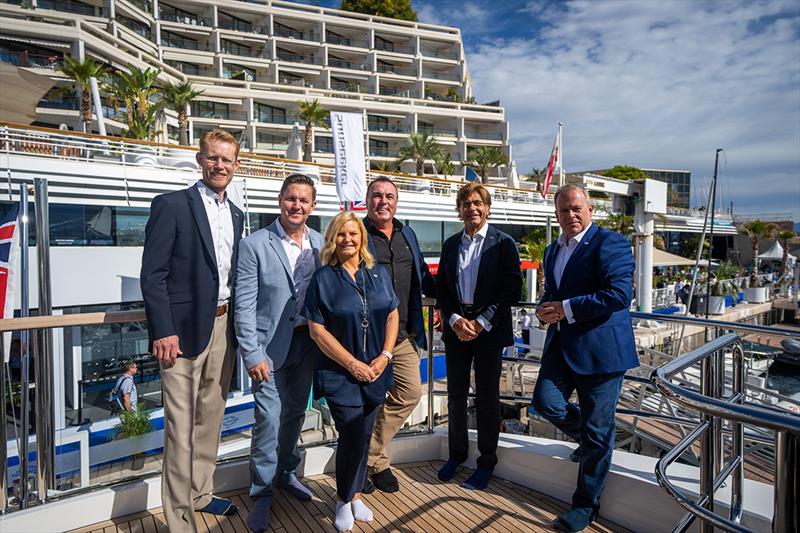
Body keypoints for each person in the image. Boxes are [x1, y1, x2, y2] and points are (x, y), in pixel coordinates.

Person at [140, 129, 245, 531]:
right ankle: (179, 519)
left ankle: (201, 494)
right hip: (180, 334)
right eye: (213, 158)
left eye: (227, 160)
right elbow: (153, 275)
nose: (220, 165)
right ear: (200, 160)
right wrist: (162, 329)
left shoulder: (236, 214)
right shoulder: (172, 205)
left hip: (223, 326)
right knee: (180, 431)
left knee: (210, 419)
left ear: (236, 166)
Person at [532, 184, 638, 533]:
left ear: (590, 210)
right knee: (545, 402)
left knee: (596, 429)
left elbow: (619, 295)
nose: (571, 215)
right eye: (564, 211)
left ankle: (584, 507)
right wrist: (544, 309)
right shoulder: (552, 250)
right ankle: (595, 441)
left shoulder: (611, 243)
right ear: (557, 214)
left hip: (602, 352)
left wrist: (565, 309)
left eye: (577, 209)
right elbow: (554, 294)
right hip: (562, 346)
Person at [234, 174, 324, 533]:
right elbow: (243, 305)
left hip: (307, 344)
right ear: (280, 201)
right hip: (268, 348)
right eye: (291, 198)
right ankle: (261, 493)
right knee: (268, 419)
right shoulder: (255, 244)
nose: (296, 205)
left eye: (304, 200)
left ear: (312, 206)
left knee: (295, 414)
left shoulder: (321, 243)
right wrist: (252, 353)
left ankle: (287, 471)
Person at [302, 212, 399, 532]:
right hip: (340, 373)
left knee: (362, 435)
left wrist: (385, 356)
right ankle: (344, 499)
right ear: (333, 239)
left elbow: (392, 314)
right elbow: (317, 330)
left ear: (362, 238)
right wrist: (352, 364)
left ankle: (355, 494)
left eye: (353, 234)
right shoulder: (324, 278)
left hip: (375, 370)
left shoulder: (378, 273)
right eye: (341, 234)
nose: (348, 239)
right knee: (354, 434)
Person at [435, 183, 522, 490]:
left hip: (490, 330)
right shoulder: (450, 245)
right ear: (459, 210)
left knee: (487, 399)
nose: (472, 208)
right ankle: (456, 454)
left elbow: (513, 289)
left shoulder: (504, 243)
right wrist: (456, 319)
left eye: (477, 203)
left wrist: (483, 322)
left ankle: (486, 461)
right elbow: (443, 288)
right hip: (458, 329)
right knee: (456, 396)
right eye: (466, 204)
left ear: (487, 208)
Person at [363, 176, 436, 494]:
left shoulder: (408, 233)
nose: (383, 201)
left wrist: (445, 302)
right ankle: (378, 465)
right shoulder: (358, 233)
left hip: (404, 334)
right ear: (368, 200)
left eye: (389, 196)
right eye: (377, 195)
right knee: (368, 401)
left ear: (396, 201)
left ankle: (366, 458)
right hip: (368, 336)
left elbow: (421, 274)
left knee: (410, 394)